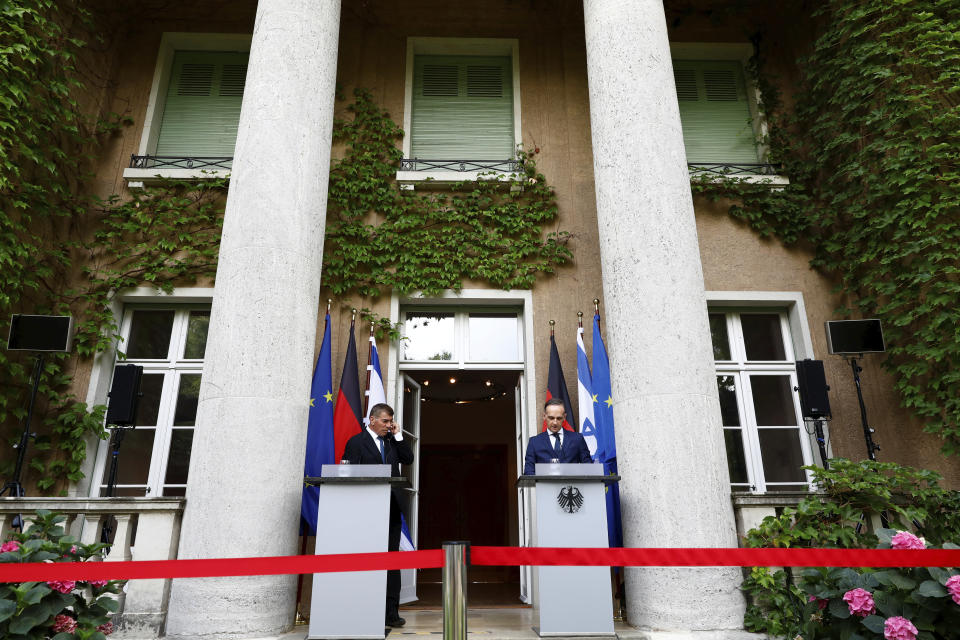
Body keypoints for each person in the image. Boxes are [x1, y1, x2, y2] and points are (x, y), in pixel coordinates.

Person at [341, 403, 414, 628]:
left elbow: (408, 458)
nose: (388, 425)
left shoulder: (392, 441)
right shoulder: (356, 442)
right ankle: (364, 608)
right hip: (366, 511)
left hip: (391, 508)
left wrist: (398, 435)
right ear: (372, 420)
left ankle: (391, 612)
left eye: (391, 421)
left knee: (391, 560)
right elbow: (348, 474)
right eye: (385, 421)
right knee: (367, 559)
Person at [523, 398, 593, 474]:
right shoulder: (534, 442)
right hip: (546, 485)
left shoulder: (577, 439)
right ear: (544, 416)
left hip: (572, 485)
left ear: (564, 417)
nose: (555, 422)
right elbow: (528, 472)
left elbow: (588, 468)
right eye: (551, 418)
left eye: (559, 418)